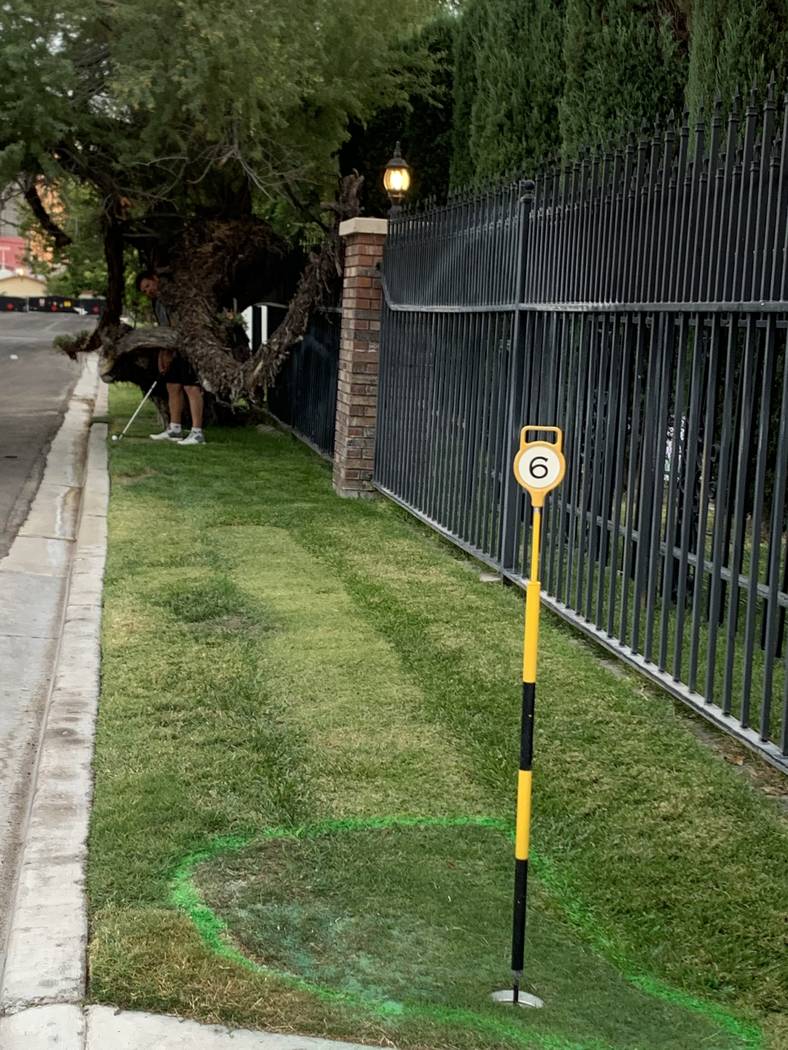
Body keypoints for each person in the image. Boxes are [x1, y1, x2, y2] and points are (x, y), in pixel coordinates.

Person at [136, 271, 206, 445]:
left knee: (191, 387)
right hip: (171, 348)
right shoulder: (156, 303)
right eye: (144, 291)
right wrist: (162, 355)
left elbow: (181, 325)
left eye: (148, 286)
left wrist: (171, 351)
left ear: (155, 279)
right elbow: (164, 329)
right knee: (172, 386)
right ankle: (175, 429)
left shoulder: (174, 297)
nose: (148, 291)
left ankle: (197, 433)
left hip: (189, 346)